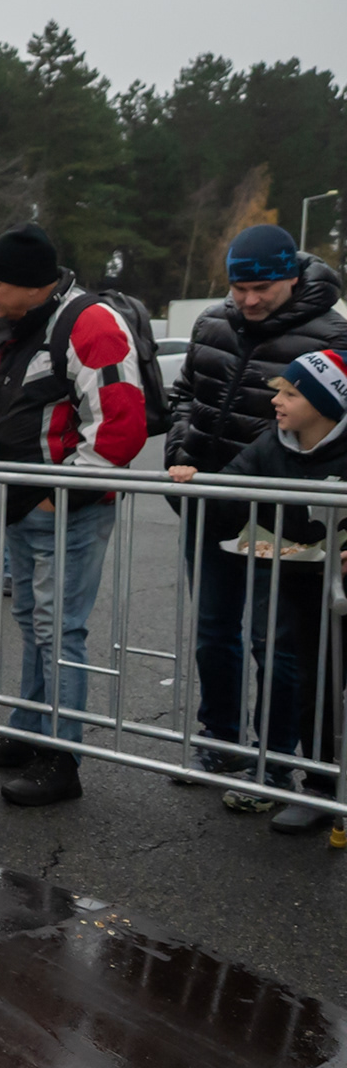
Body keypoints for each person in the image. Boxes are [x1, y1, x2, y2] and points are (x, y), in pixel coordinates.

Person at [0, 223, 147, 805]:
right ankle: (28, 732)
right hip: (20, 507)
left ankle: (61, 759)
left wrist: (59, 495)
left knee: (59, 631)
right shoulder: (20, 325)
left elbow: (120, 426)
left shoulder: (90, 323)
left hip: (65, 511)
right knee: (33, 623)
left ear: (30, 285)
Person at [165, 225, 346, 781]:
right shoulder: (211, 323)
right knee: (214, 631)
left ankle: (277, 757)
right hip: (213, 504)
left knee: (278, 643)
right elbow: (184, 395)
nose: (248, 300)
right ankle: (220, 742)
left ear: (292, 277)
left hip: (287, 519)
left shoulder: (333, 334)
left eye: (262, 288)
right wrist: (179, 449)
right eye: (238, 287)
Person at [191, 351, 347, 834]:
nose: (276, 401)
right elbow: (232, 490)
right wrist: (197, 485)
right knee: (316, 685)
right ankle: (320, 788)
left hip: (339, 583)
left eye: (291, 394)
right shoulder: (272, 442)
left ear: (325, 405)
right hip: (303, 583)